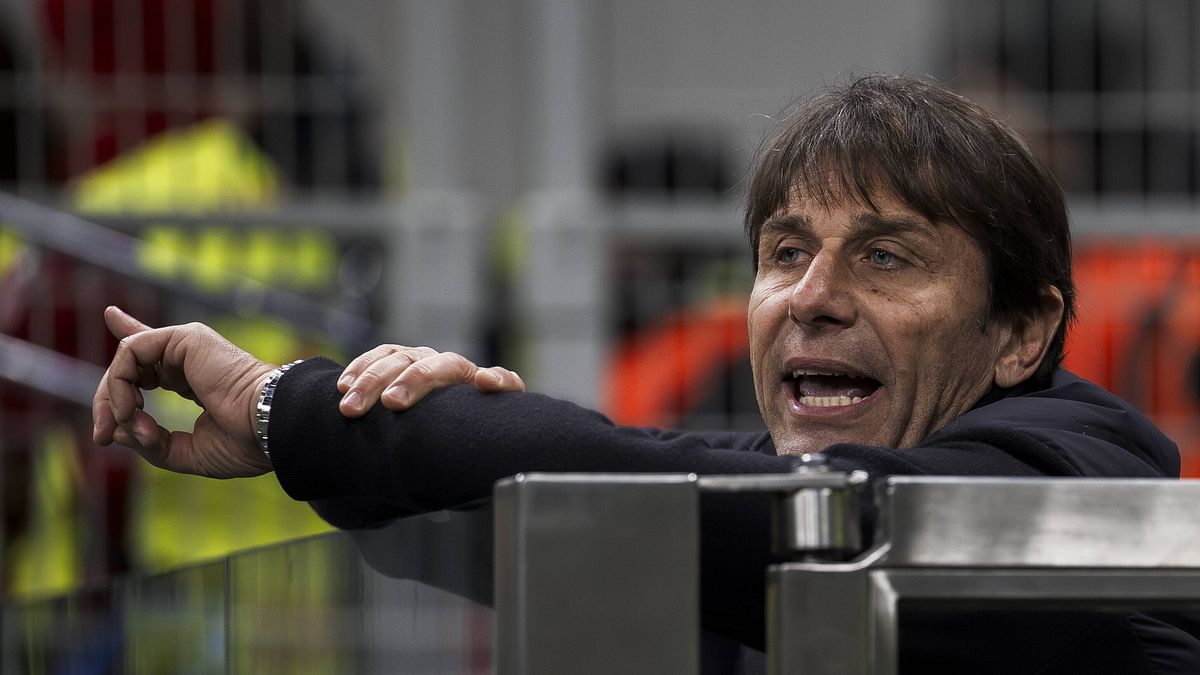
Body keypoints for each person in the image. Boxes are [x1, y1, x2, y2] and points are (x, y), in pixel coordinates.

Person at [93, 75, 1197, 672]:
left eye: (887, 257)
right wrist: (395, 424)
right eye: (784, 253)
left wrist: (295, 409)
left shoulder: (1080, 473)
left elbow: (821, 521)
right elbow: (493, 526)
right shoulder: (754, 490)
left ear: (1021, 333)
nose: (812, 295)